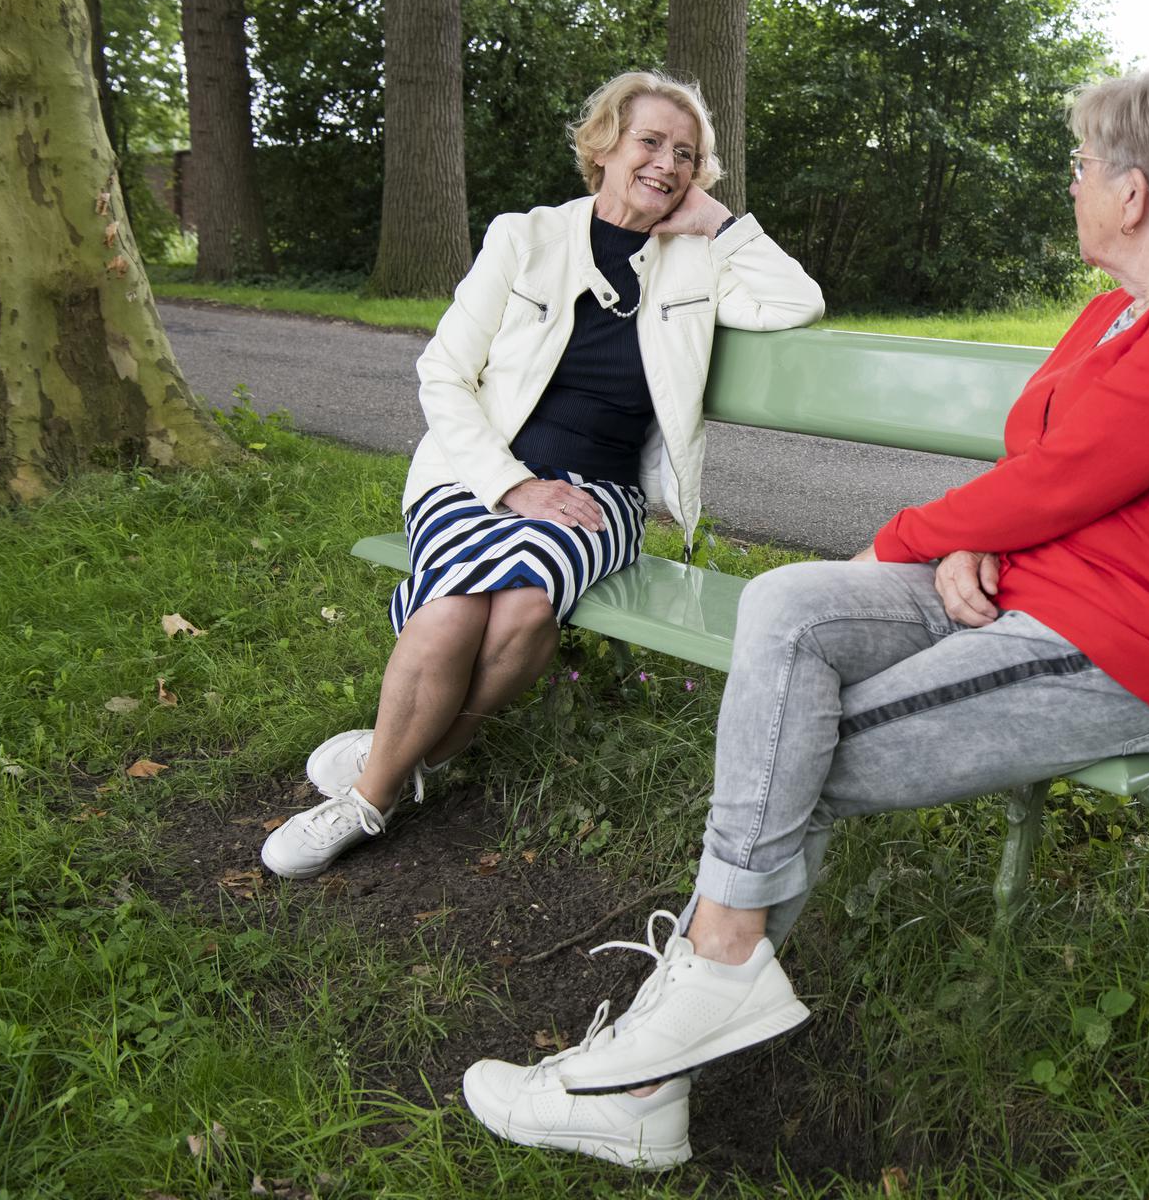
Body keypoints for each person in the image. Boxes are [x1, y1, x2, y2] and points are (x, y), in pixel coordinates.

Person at [458, 64, 1149, 1170]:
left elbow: (1073, 475)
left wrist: (917, 536)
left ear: (1135, 192)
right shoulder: (1119, 307)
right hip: (1023, 584)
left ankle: (657, 1051)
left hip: (1131, 648)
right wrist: (980, 535)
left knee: (789, 747)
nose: (1072, 184)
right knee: (789, 605)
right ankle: (695, 1008)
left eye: (1080, 165)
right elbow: (1046, 460)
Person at [260, 71, 824, 880]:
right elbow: (443, 374)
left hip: (599, 497)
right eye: (650, 142)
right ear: (604, 145)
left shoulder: (698, 263)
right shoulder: (524, 238)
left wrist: (722, 225)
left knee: (526, 607)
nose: (667, 163)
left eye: (687, 155)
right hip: (476, 474)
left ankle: (402, 759)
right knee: (459, 602)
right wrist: (510, 485)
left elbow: (795, 301)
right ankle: (374, 798)